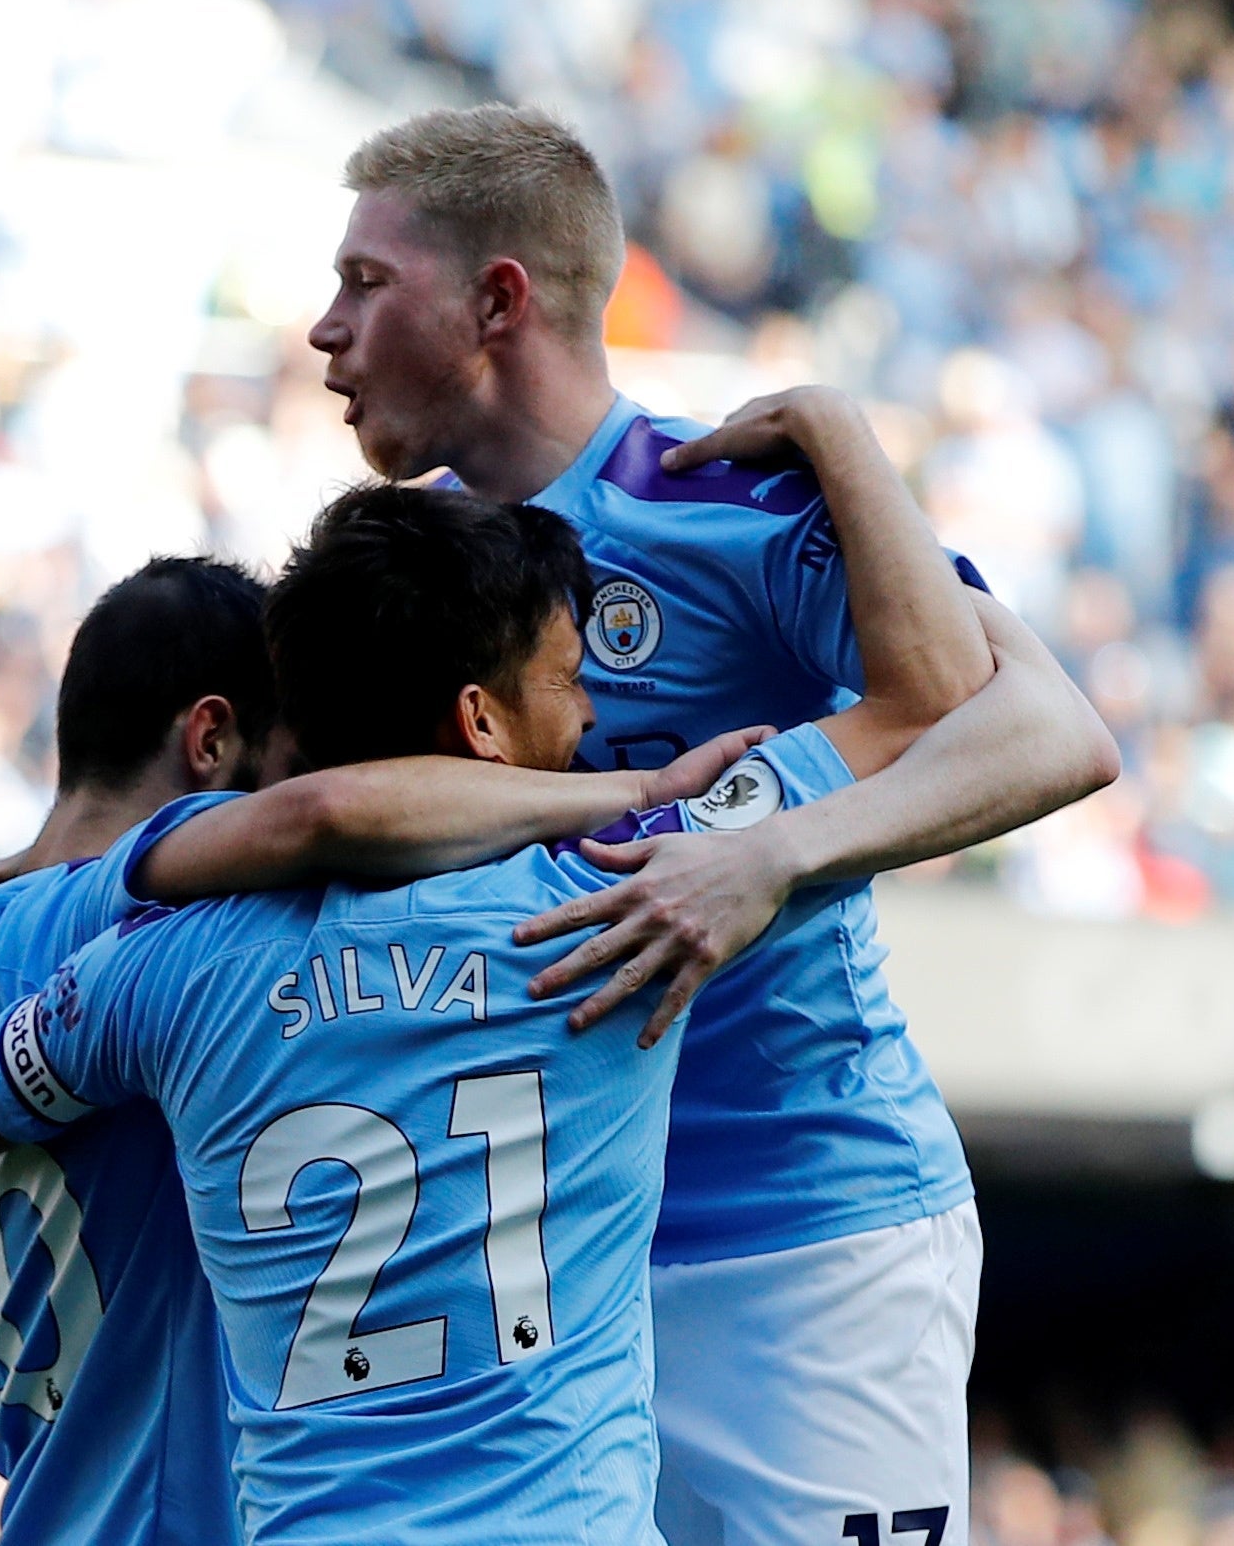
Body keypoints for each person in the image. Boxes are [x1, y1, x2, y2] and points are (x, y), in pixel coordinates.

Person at [0, 425, 1001, 1539]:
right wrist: (832, 425)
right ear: (481, 720)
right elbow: (933, 696)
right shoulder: (634, 897)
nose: (592, 714)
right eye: (568, 680)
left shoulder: (157, 962)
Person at [305, 105, 1121, 1545]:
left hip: (799, 1238)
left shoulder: (726, 501)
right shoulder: (391, 577)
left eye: (367, 283)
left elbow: (1045, 727)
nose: (325, 328)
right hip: (535, 1258)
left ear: (497, 301)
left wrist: (771, 851)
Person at [0, 554, 767, 1546]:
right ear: (212, 739)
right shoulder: (169, 934)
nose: (307, 770)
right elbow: (331, 815)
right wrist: (632, 793)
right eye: (289, 747)